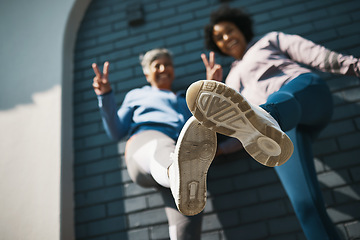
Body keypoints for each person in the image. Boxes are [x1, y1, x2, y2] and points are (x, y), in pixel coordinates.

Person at [194, 5, 360, 240]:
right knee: (306, 206)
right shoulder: (229, 81)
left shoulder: (269, 41)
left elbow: (317, 55)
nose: (226, 38)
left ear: (240, 28)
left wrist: (356, 66)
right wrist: (218, 148)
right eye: (219, 38)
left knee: (276, 101)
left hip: (307, 94)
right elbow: (243, 131)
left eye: (228, 31)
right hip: (280, 130)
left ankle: (269, 115)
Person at [92, 48, 218, 240]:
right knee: (166, 149)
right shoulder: (137, 95)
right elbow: (115, 131)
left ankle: (179, 175)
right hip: (146, 145)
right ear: (146, 73)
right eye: (156, 65)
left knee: (189, 217)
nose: (163, 68)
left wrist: (213, 89)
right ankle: (178, 172)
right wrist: (105, 95)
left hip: (174, 154)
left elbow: (207, 127)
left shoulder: (186, 100)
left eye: (167, 64)